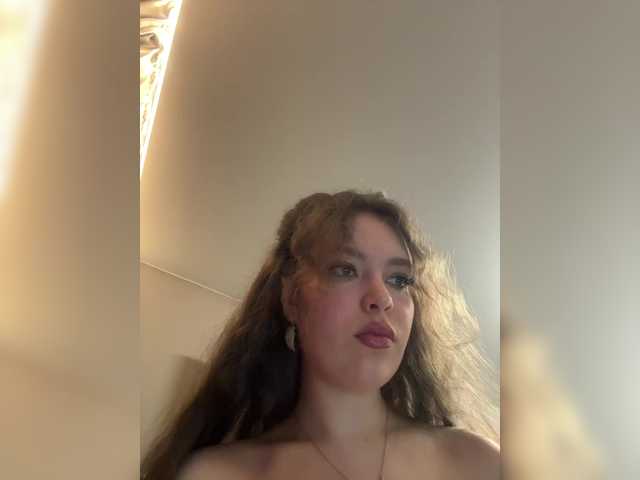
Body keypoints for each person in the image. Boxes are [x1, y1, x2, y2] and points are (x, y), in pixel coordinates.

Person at [141, 190, 499, 480]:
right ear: (291, 299)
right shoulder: (218, 474)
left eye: (399, 279)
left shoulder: (476, 462)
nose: (382, 298)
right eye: (345, 270)